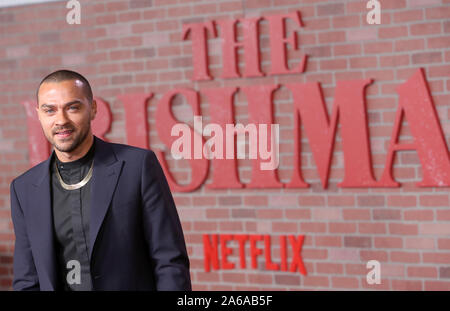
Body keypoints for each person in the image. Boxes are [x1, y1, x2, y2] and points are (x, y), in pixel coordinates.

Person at [10, 69, 191, 291]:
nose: (61, 120)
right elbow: (27, 279)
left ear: (93, 109)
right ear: (39, 114)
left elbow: (169, 260)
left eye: (73, 107)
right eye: (50, 110)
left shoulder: (138, 166)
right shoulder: (24, 188)